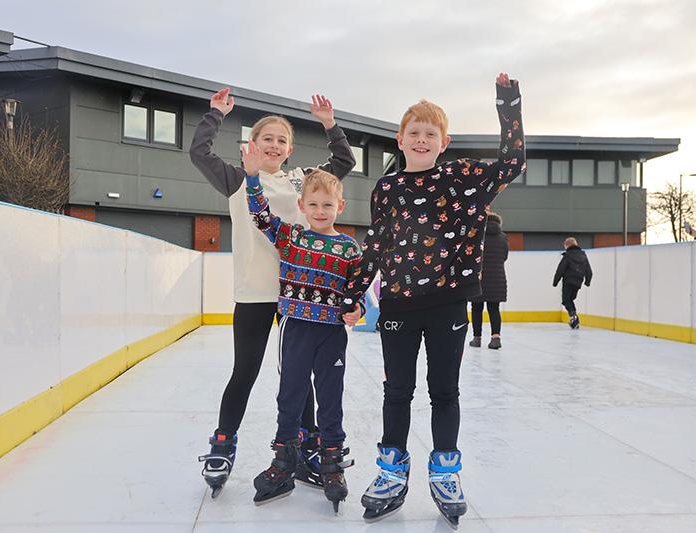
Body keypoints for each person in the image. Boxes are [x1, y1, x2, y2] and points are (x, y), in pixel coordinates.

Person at [340, 73, 525, 526]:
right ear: (400, 140)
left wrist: (509, 101)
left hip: (447, 304)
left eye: (430, 134)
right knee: (396, 391)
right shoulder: (388, 189)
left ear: (444, 142)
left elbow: (512, 160)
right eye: (414, 133)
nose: (421, 139)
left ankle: (445, 470)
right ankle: (391, 471)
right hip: (399, 304)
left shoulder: (463, 178)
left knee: (444, 391)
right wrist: (355, 294)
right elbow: (377, 244)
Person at [190, 88, 355, 497]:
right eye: (268, 138)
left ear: (290, 149)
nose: (275, 145)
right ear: (253, 144)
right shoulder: (237, 178)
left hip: (300, 294)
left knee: (300, 377)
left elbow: (344, 163)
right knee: (245, 371)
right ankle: (223, 442)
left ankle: (307, 443)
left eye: (282, 140)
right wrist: (215, 114)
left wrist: (330, 125)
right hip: (255, 293)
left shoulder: (301, 181)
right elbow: (199, 152)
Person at [242, 142, 362, 512]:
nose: (320, 211)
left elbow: (357, 296)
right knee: (290, 395)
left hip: (330, 334)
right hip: (295, 328)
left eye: (328, 205)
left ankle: (331, 462)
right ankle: (284, 460)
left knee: (330, 399)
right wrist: (251, 177)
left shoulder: (349, 249)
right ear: (302, 207)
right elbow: (260, 215)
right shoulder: (291, 236)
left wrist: (356, 309)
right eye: (313, 204)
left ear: (339, 207)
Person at [469, 212, 509, 349]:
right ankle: (495, 338)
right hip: (497, 278)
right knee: (494, 308)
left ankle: (477, 338)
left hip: (479, 278)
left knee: (476, 308)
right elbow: (504, 256)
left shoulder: (477, 236)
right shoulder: (503, 237)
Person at [553, 237, 593, 329]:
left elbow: (560, 270)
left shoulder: (567, 256)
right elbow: (589, 271)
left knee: (566, 300)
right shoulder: (583, 255)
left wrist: (555, 282)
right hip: (578, 282)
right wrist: (587, 281)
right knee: (570, 299)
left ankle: (574, 317)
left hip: (568, 281)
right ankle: (574, 318)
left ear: (566, 246)